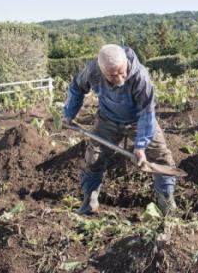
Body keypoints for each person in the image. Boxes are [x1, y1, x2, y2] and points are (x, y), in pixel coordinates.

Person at [62, 44, 177, 215]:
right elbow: (77, 87)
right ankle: (89, 201)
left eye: (122, 72)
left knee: (160, 158)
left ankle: (167, 204)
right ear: (102, 71)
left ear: (126, 64)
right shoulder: (92, 71)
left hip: (139, 120)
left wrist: (140, 146)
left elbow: (147, 112)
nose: (120, 78)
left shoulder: (140, 77)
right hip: (108, 119)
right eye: (112, 75)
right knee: (94, 158)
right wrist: (69, 113)